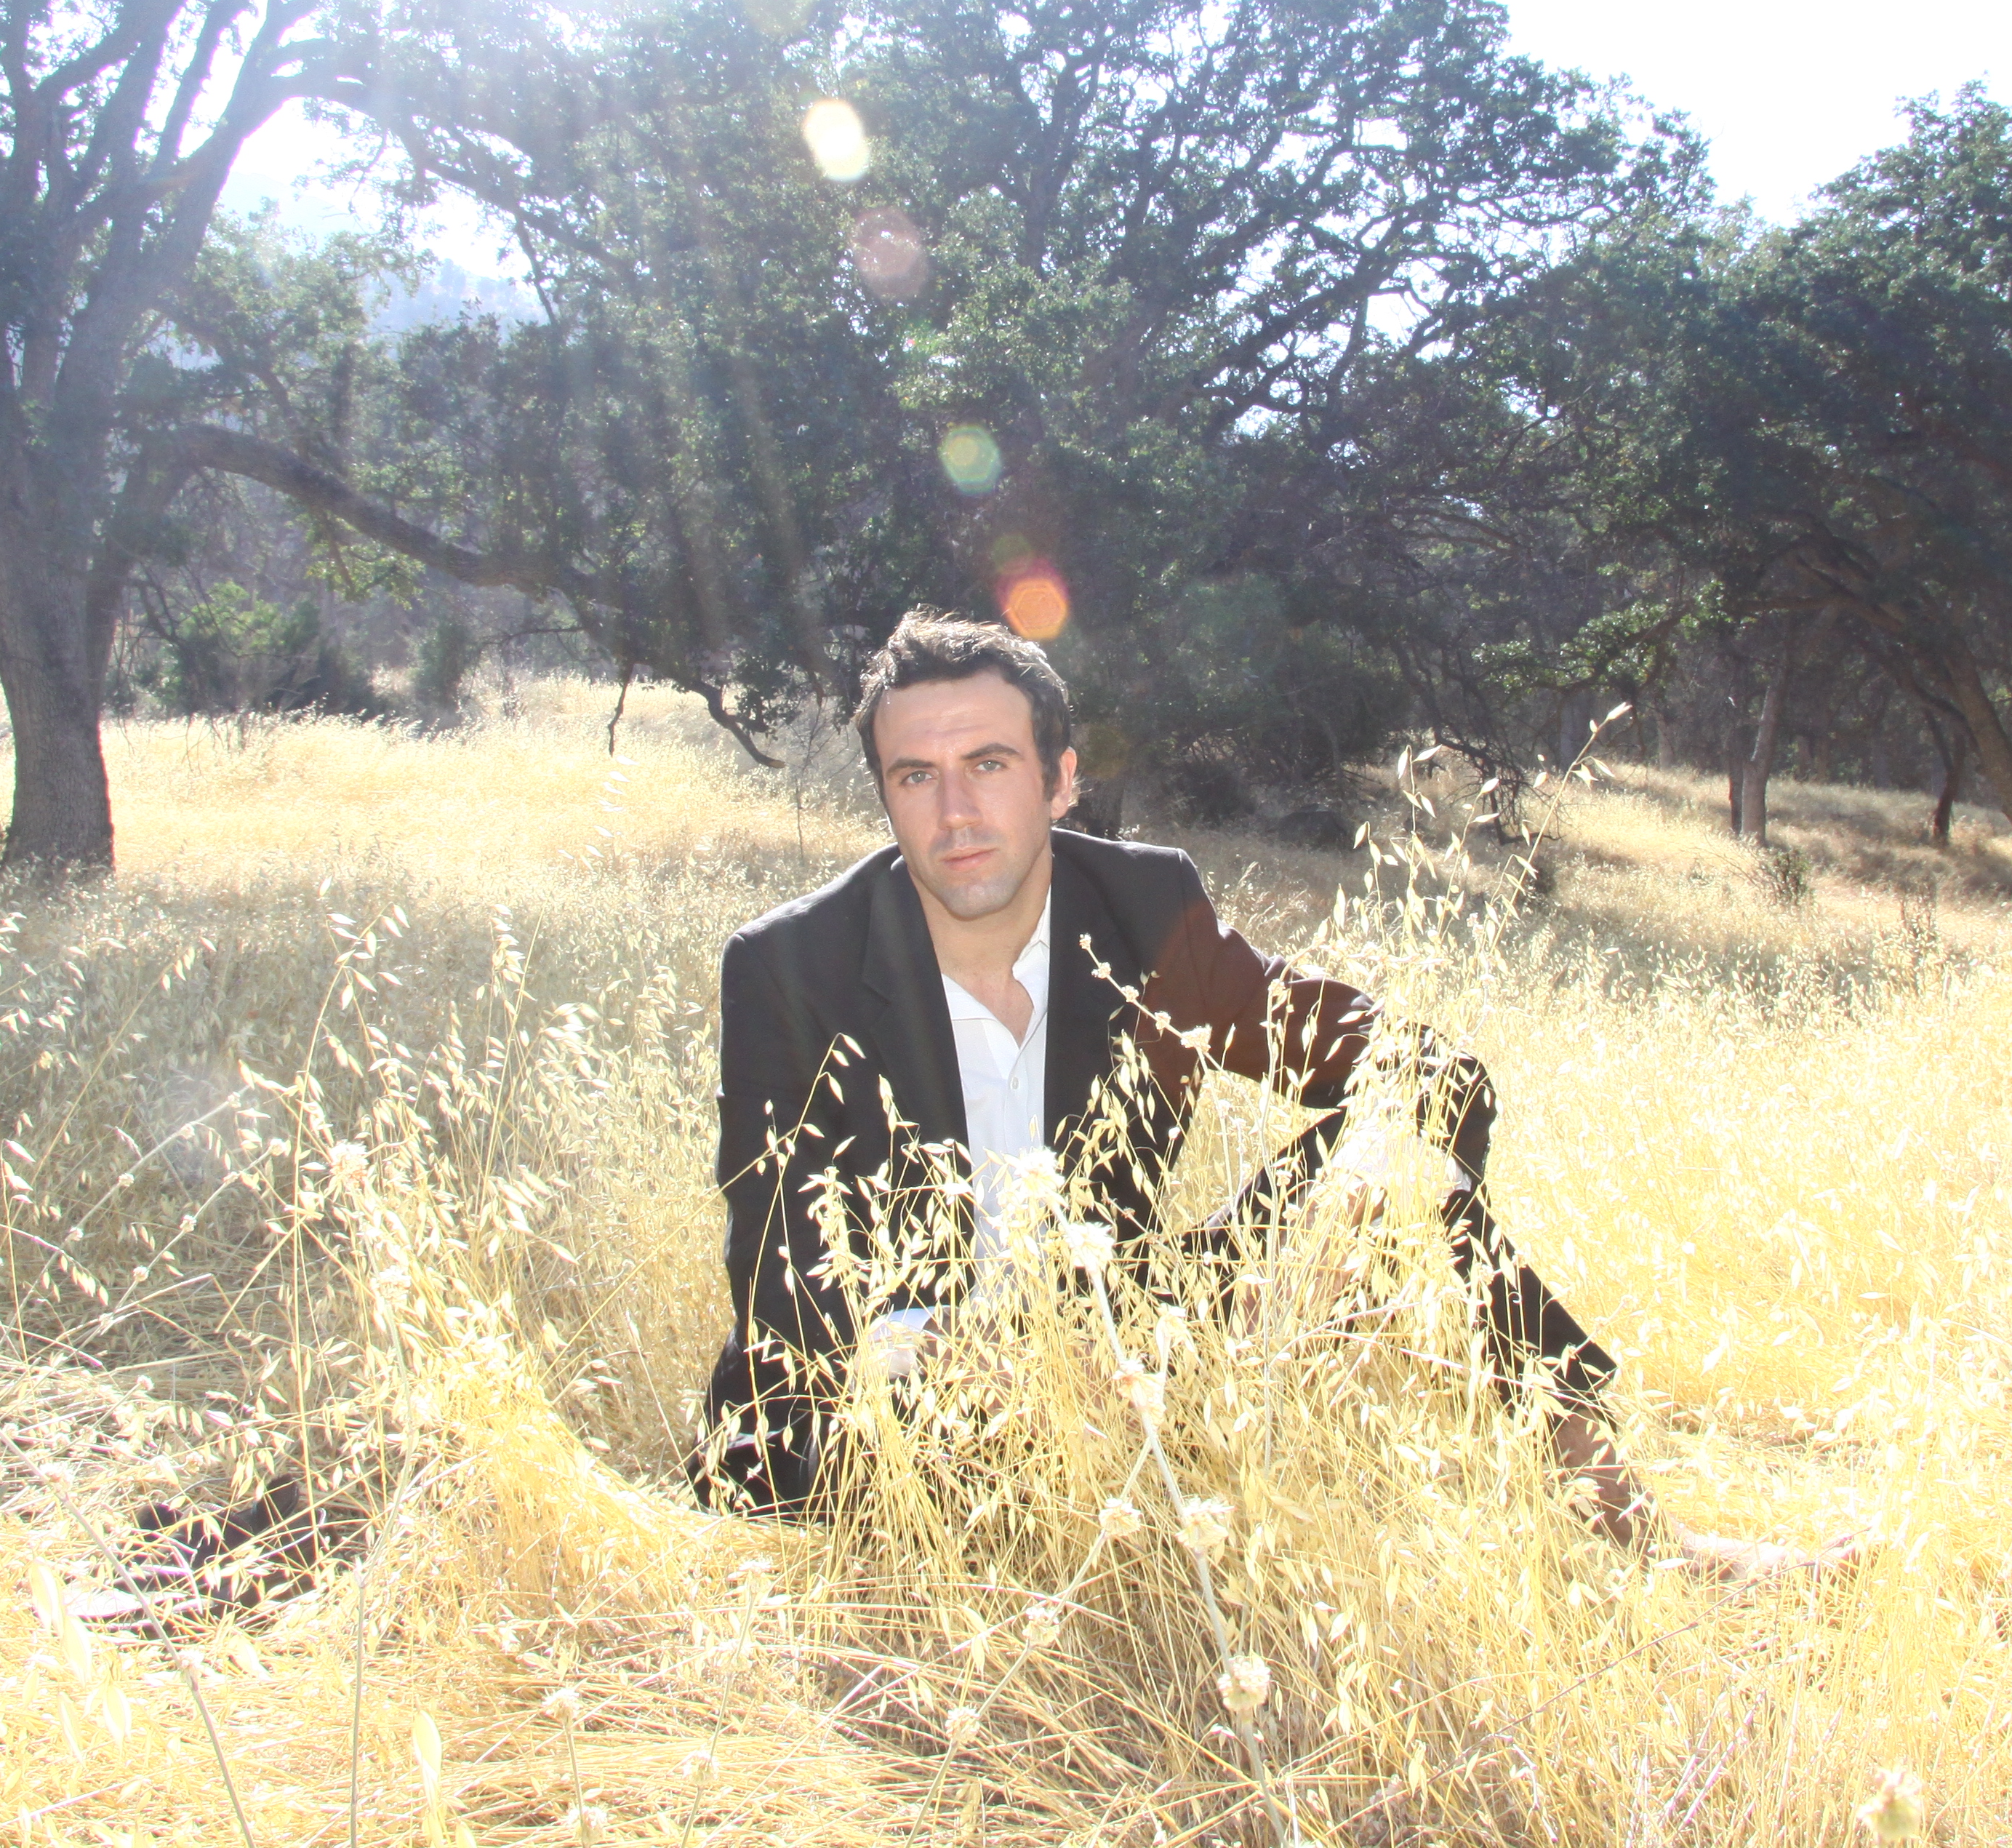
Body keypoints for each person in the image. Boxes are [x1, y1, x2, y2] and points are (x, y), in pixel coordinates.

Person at [694, 611, 1836, 1577]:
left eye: (990, 765)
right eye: (916, 776)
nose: (955, 813)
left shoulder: (1143, 914)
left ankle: (1648, 1543)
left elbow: (1432, 1073)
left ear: (1060, 779)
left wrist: (1368, 1194)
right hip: (892, 1409)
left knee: (1410, 1184)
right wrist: (952, 1346)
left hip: (1116, 1351)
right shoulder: (791, 964)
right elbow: (780, 1276)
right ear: (886, 799)